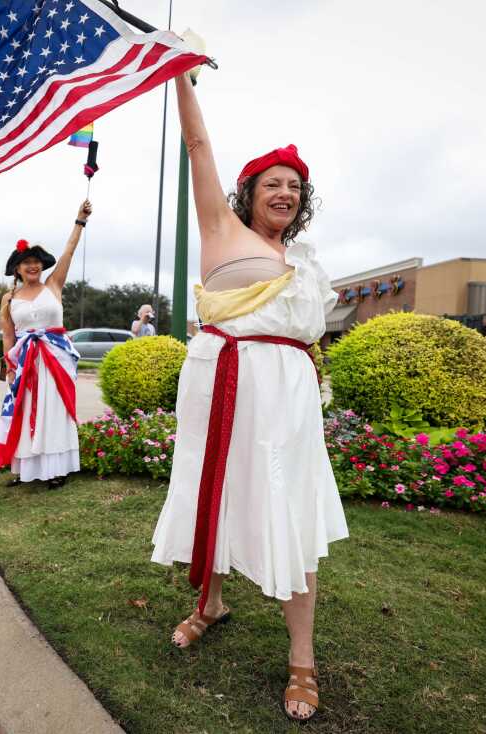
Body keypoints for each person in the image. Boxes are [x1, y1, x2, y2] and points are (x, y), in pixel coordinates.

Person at [149, 68, 348, 722]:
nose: (285, 193)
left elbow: (305, 337)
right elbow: (198, 148)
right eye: (273, 184)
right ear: (249, 193)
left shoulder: (308, 262)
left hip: (285, 397)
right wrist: (179, 75)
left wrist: (314, 385)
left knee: (288, 507)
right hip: (222, 381)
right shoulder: (220, 233)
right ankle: (210, 603)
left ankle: (302, 659)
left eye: (295, 187)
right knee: (216, 488)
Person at [0, 200, 92, 489]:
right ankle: (25, 468)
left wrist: (79, 221)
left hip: (55, 358)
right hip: (26, 362)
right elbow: (8, 335)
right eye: (27, 263)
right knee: (23, 411)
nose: (33, 266)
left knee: (55, 409)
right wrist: (8, 367)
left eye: (36, 262)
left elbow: (68, 253)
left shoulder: (53, 286)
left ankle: (58, 468)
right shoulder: (9, 299)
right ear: (18, 269)